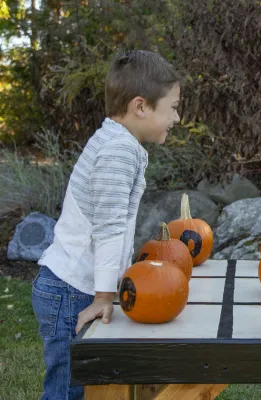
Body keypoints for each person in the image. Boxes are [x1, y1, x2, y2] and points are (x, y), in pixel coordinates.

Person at [31, 49, 182, 399]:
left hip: (73, 286)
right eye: (173, 107)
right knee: (70, 389)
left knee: (89, 384)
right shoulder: (117, 151)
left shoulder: (119, 142)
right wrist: (103, 295)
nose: (177, 117)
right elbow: (109, 227)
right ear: (140, 106)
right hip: (72, 291)